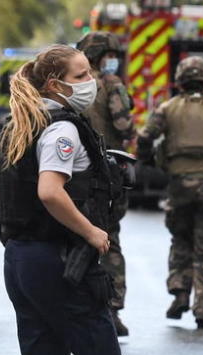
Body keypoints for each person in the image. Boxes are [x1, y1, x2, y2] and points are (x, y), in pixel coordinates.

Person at [0, 44, 125, 355]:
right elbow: (50, 191)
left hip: (20, 260)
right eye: (81, 76)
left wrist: (23, 223)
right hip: (59, 261)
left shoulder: (18, 124)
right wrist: (92, 232)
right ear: (55, 84)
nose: (90, 82)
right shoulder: (63, 129)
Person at [135, 56, 203, 329]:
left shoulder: (168, 108)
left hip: (179, 185)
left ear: (180, 82)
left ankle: (179, 291)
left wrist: (149, 161)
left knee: (181, 240)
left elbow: (145, 138)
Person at [78, 31, 133, 336]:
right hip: (107, 173)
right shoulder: (112, 85)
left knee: (73, 236)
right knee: (109, 239)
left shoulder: (72, 83)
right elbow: (125, 125)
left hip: (72, 173)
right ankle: (110, 308)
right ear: (101, 55)